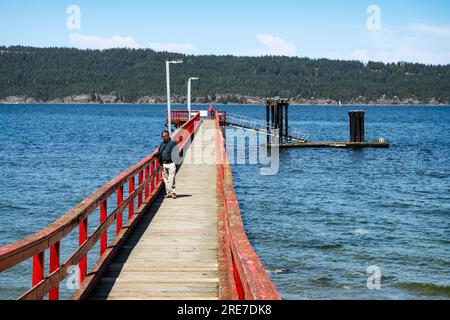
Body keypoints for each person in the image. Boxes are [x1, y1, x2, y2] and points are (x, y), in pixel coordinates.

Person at [155, 130, 179, 199]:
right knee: (166, 179)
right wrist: (153, 155)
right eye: (162, 136)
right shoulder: (162, 144)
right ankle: (168, 193)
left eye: (165, 136)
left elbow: (176, 153)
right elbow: (159, 152)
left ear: (168, 136)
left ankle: (173, 193)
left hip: (171, 163)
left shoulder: (173, 143)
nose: (164, 137)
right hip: (164, 164)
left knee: (171, 179)